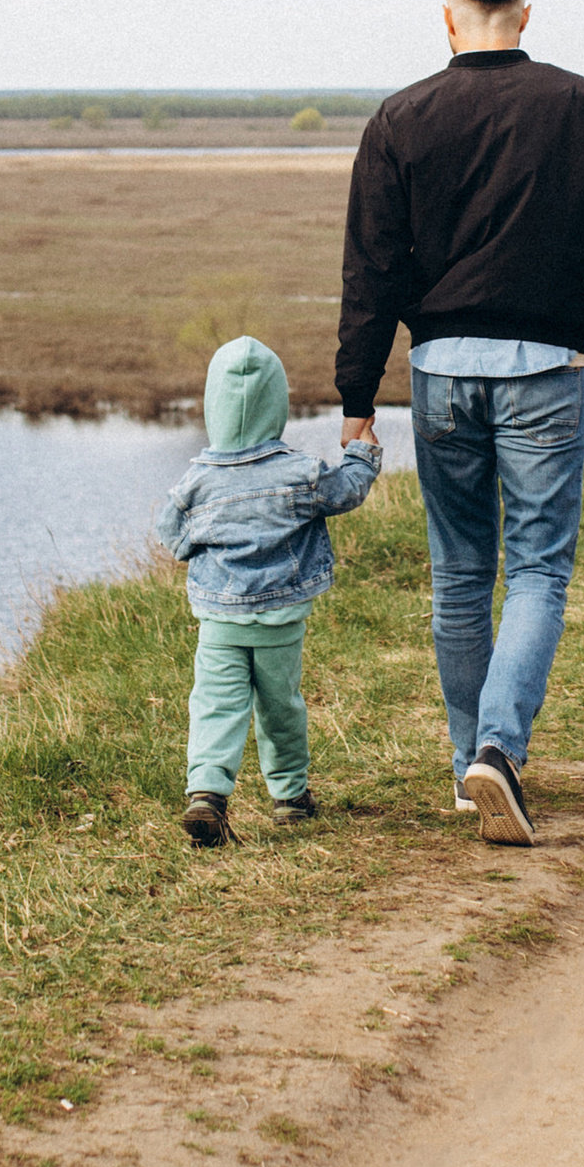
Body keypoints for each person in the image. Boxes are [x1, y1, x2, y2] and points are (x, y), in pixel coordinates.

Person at [336, 0, 584, 846]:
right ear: (524, 18)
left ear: (449, 22)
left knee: (458, 574)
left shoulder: (400, 116)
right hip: (545, 369)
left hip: (440, 373)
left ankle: (467, 771)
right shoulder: (582, 106)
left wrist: (356, 399)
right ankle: (497, 750)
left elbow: (370, 270)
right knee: (536, 570)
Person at [154, 334, 381, 849]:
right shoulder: (298, 472)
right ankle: (290, 797)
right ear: (277, 405)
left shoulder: (196, 481)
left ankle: (207, 795)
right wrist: (363, 451)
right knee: (282, 706)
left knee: (215, 704)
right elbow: (346, 491)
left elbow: (174, 536)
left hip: (220, 624)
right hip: (281, 622)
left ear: (213, 407)